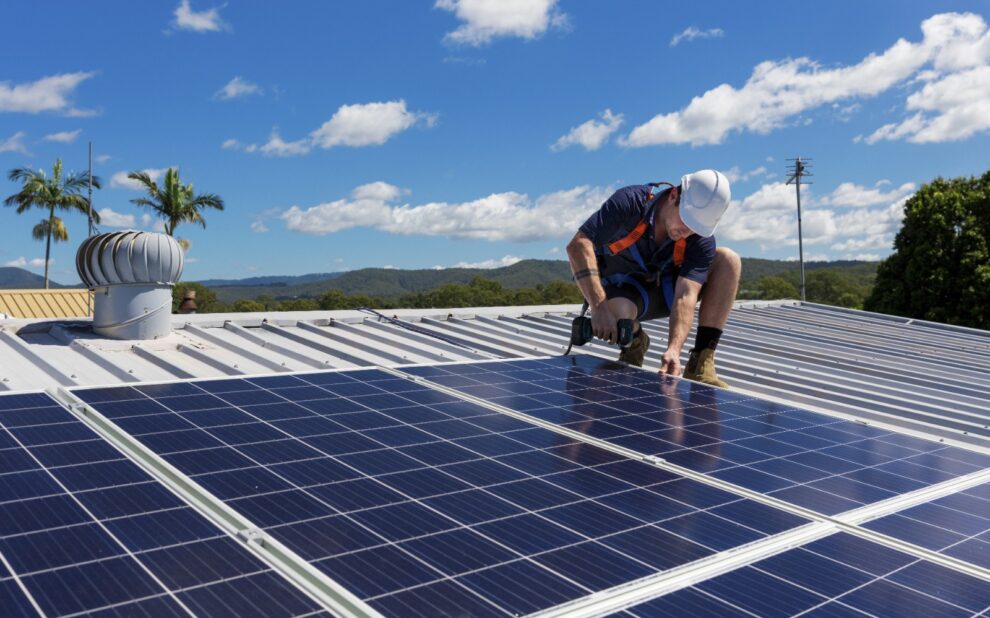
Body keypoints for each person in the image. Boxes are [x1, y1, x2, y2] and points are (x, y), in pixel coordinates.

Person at [565, 169, 741, 387]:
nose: (687, 232)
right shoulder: (630, 203)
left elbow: (686, 295)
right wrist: (598, 307)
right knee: (620, 314)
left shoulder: (699, 239)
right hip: (622, 290)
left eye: (695, 228)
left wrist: (674, 350)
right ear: (673, 196)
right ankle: (636, 341)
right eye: (686, 221)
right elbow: (578, 245)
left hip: (665, 292)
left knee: (728, 260)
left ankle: (701, 362)